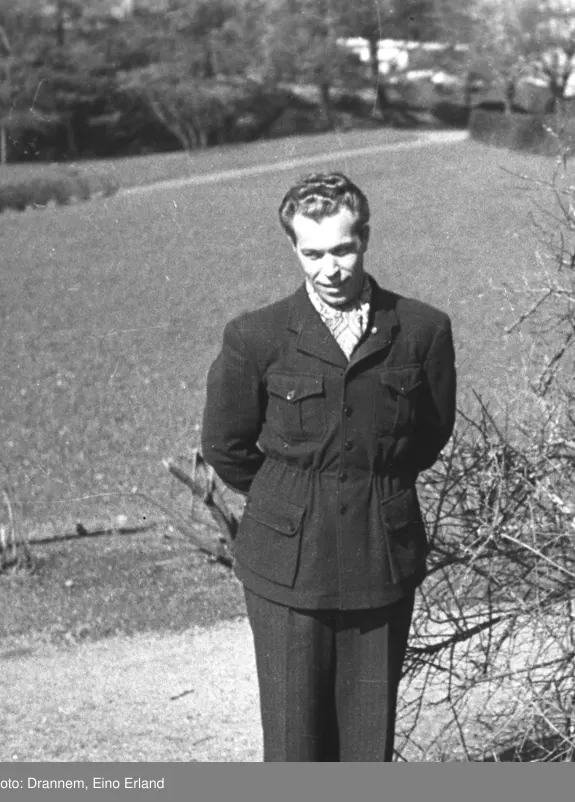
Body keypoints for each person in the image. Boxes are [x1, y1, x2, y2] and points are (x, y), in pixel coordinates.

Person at [201, 171, 456, 761]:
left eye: (342, 249)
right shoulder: (255, 336)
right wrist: (291, 500)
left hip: (379, 556)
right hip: (287, 566)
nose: (329, 268)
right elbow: (225, 444)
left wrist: (372, 486)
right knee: (295, 743)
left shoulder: (422, 330)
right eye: (311, 253)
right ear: (294, 248)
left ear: (364, 239)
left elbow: (429, 434)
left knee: (367, 744)